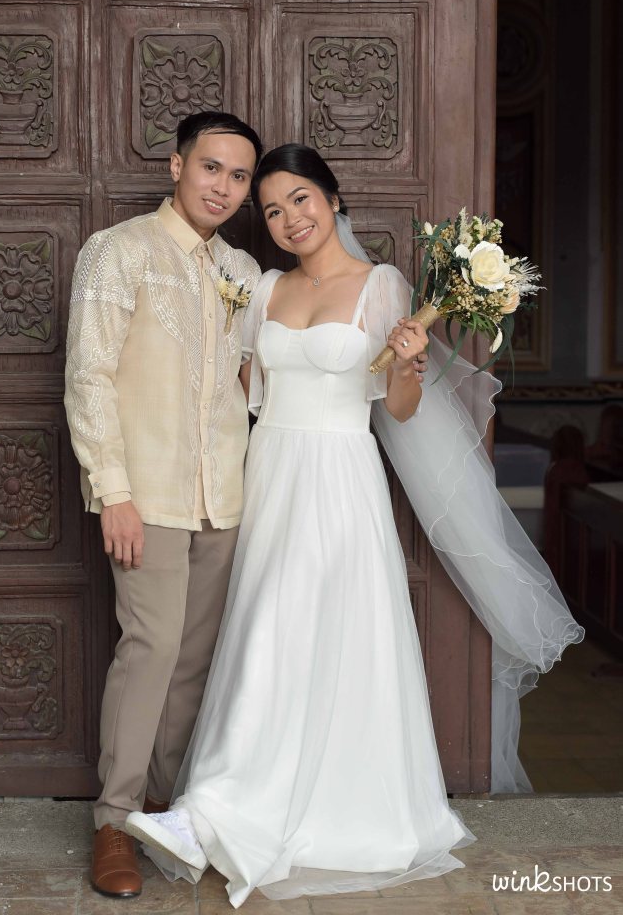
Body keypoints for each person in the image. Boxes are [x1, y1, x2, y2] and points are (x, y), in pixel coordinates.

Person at [124, 144, 584, 907]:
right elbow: (242, 395)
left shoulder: (383, 285)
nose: (289, 219)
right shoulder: (264, 288)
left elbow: (397, 409)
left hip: (341, 478)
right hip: (271, 477)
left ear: (333, 200)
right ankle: (222, 809)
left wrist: (406, 362)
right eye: (272, 210)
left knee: (324, 639)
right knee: (267, 633)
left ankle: (226, 813)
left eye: (300, 199)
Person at [64, 114, 431, 899]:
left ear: (331, 200)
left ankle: (168, 808)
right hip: (159, 489)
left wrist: (409, 365)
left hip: (238, 494)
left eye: (242, 180)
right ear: (177, 167)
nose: (227, 188)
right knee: (152, 649)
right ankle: (114, 820)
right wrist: (113, 491)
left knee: (199, 660)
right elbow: (89, 376)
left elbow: (253, 390)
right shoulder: (120, 251)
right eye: (215, 170)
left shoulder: (241, 270)